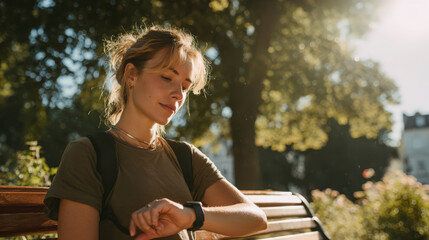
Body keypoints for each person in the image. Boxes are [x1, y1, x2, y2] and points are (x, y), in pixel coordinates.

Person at [44, 25, 267, 240]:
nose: (178, 94)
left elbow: (256, 218)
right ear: (131, 75)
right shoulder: (88, 154)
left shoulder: (185, 157)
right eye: (167, 78)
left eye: (185, 86)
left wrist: (190, 215)